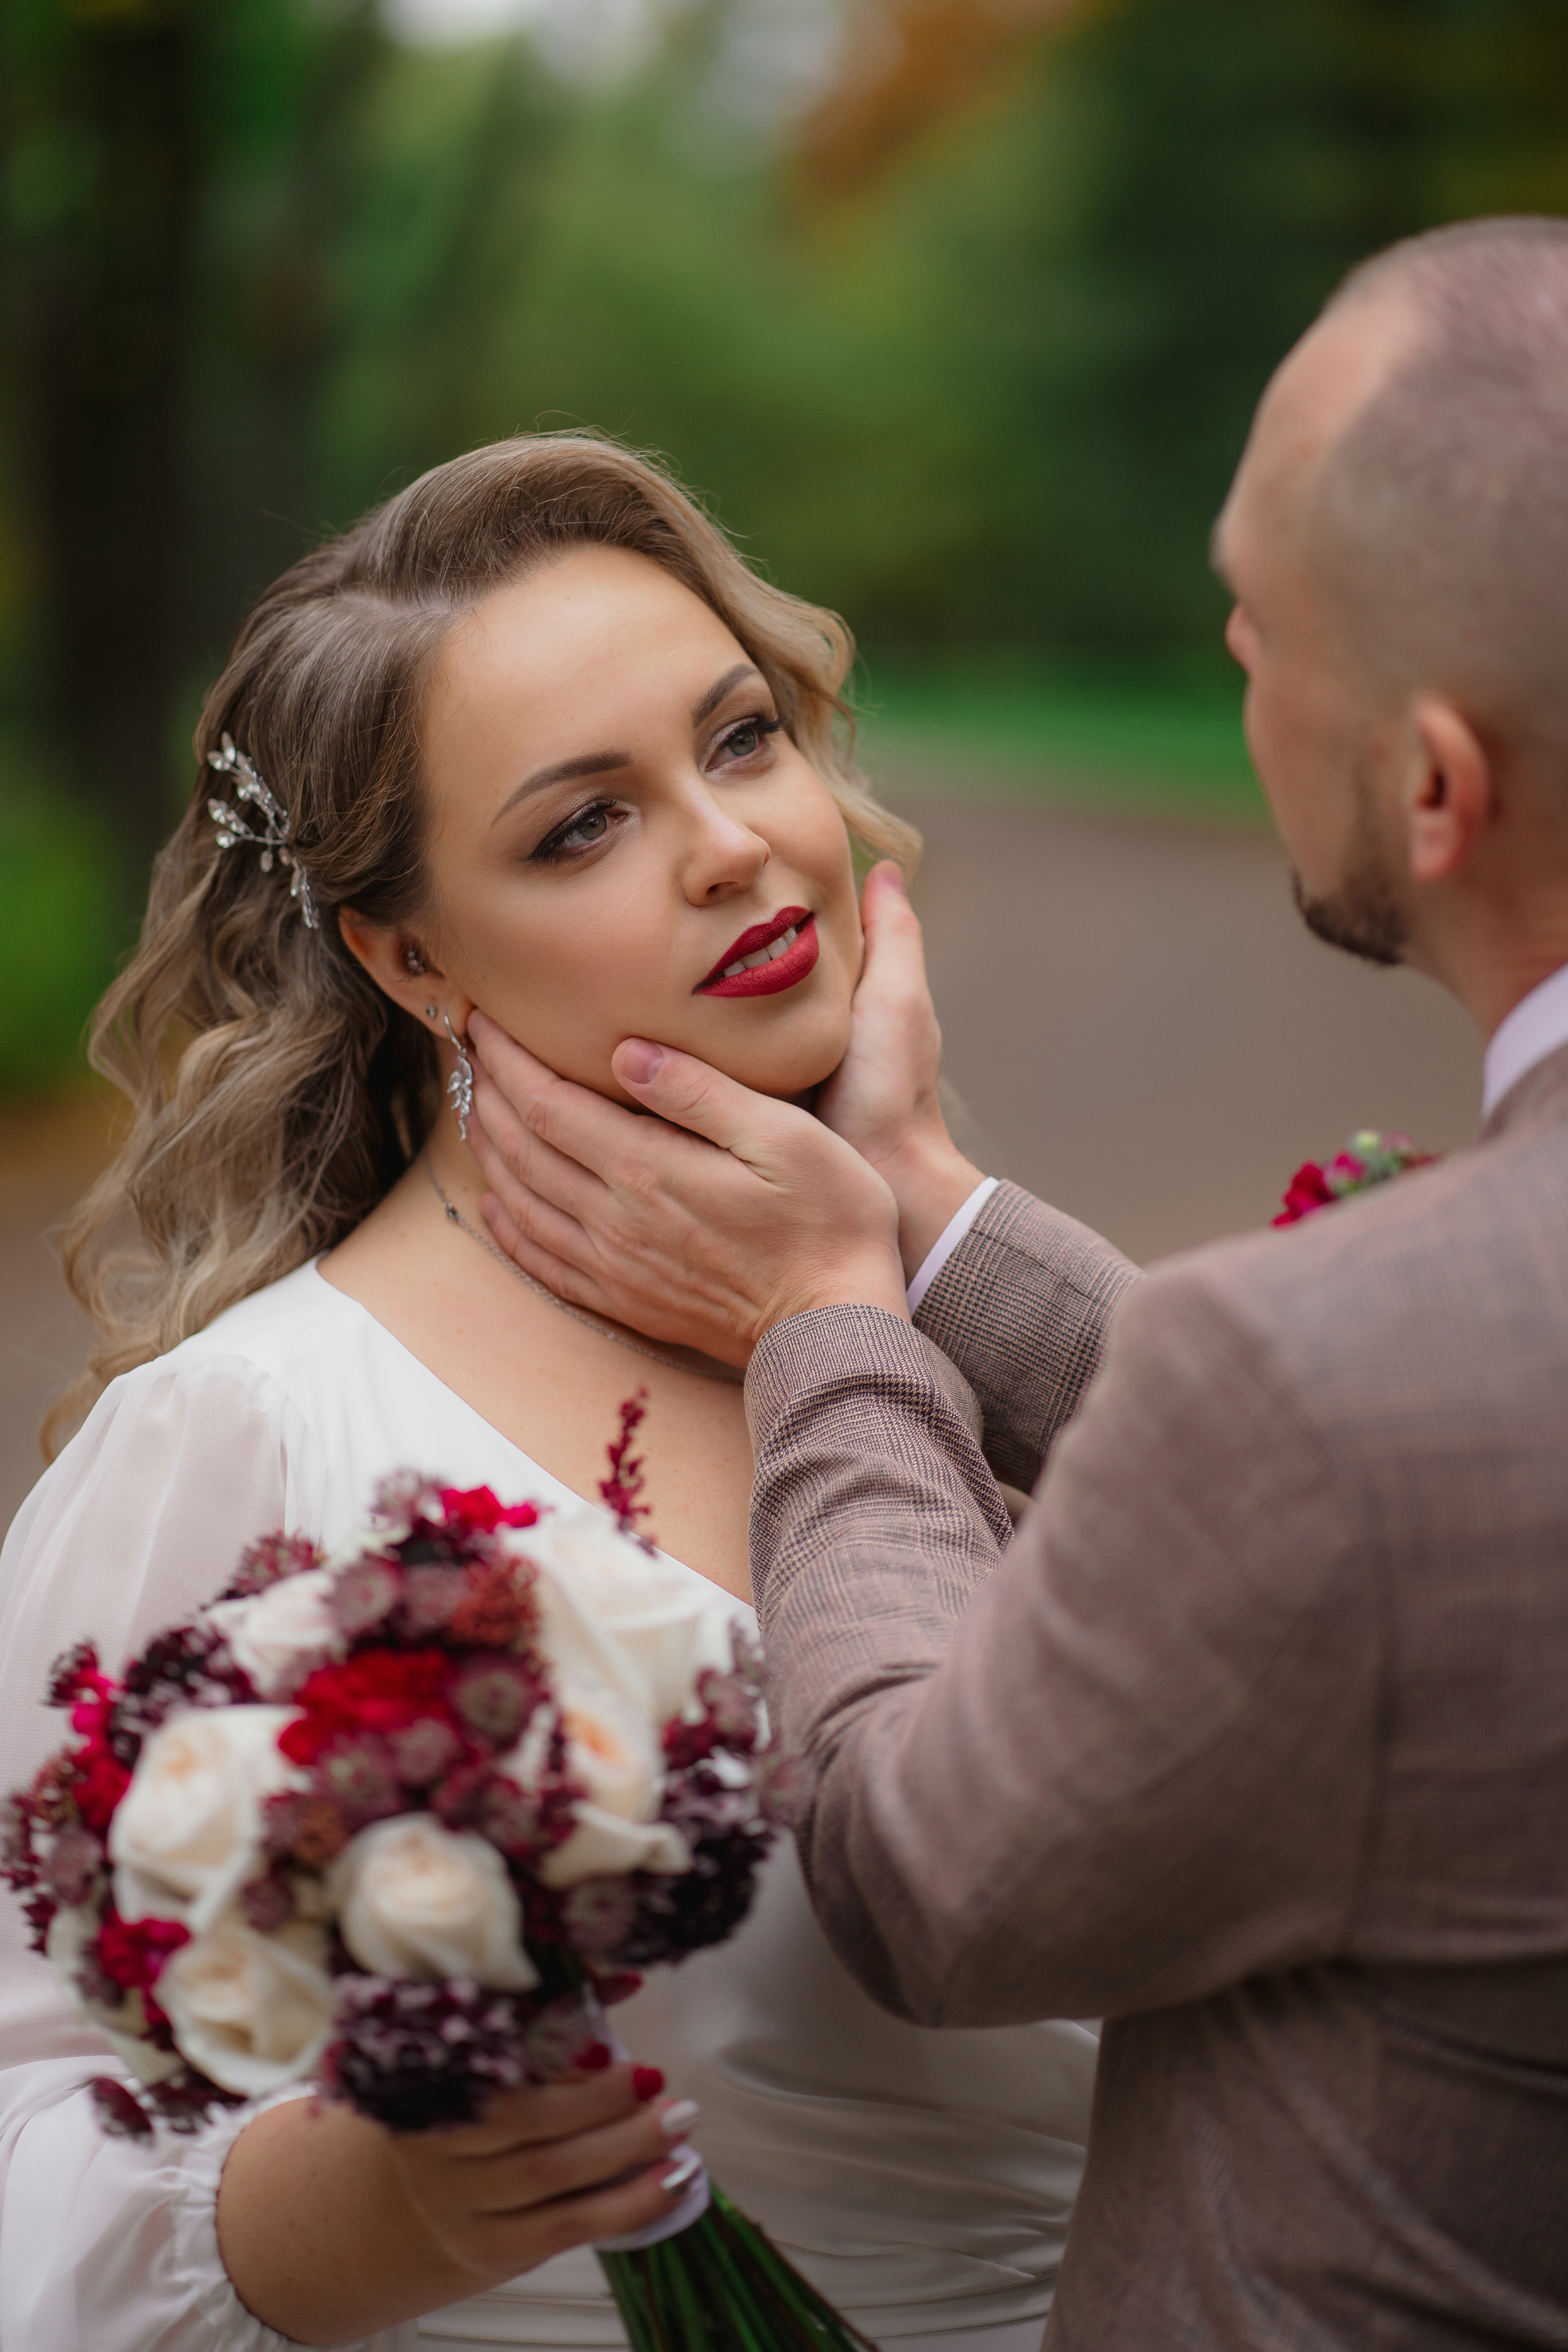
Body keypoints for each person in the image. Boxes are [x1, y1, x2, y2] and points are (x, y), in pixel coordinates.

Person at [457, 216, 1568, 2348]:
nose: (1232, 653)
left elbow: (929, 1880)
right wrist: (930, 1206)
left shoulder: (1343, 1393)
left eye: (1266, 626)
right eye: (581, 819)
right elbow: (1437, 1481)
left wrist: (828, 1316)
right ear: (406, 953)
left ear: (1433, 784)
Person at [0, 436, 1096, 2351]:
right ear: (409, 955)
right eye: (584, 825)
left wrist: (922, 1217)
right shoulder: (254, 1434)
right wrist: (368, 2206)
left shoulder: (964, 1330)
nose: (730, 844)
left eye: (741, 739)